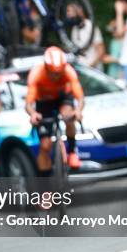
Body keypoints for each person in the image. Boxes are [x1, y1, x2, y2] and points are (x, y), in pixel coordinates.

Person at [25, 46, 85, 174]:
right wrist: (33, 114)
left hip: (63, 98)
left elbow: (80, 97)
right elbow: (28, 103)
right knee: (45, 146)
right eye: (52, 73)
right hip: (43, 102)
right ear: (46, 67)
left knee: (68, 116)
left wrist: (78, 111)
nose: (56, 77)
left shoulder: (69, 71)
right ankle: (46, 185)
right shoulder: (36, 74)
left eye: (59, 73)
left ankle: (72, 151)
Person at [67, 2, 105, 70]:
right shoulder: (74, 29)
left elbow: (101, 51)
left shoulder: (90, 26)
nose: (68, 14)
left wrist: (90, 67)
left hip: (93, 72)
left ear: (79, 11)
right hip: (80, 70)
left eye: (70, 11)